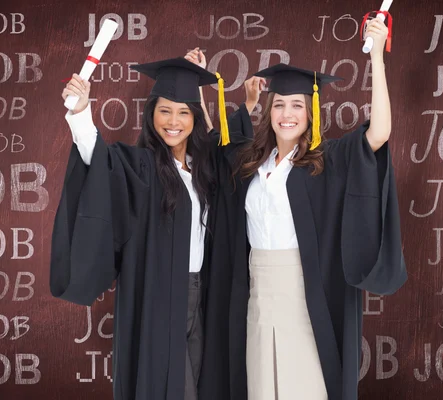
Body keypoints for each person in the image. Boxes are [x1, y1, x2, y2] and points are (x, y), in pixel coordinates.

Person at [200, 17, 407, 400]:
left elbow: (377, 133)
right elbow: (213, 148)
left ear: (311, 110)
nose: (287, 113)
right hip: (256, 295)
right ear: (270, 111)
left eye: (297, 104)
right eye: (279, 104)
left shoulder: (323, 161)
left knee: (304, 387)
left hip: (305, 294)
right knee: (262, 386)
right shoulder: (250, 165)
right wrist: (230, 99)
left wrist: (376, 56)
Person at [49, 52, 259, 400]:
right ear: (151, 115)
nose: (173, 121)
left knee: (200, 380)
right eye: (164, 110)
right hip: (159, 295)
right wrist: (81, 112)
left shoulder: (205, 168)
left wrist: (247, 105)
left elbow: (222, 141)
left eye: (183, 112)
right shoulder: (142, 166)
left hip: (202, 294)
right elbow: (98, 158)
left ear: (193, 117)